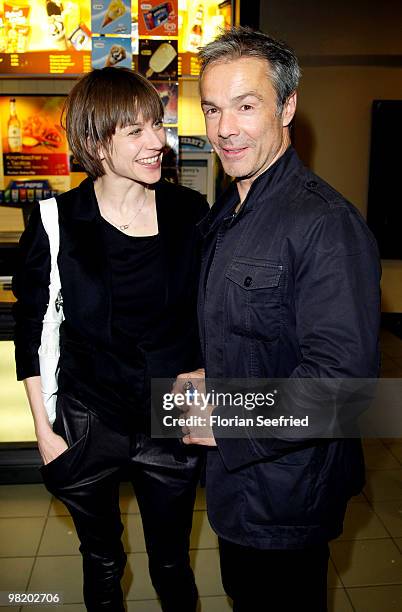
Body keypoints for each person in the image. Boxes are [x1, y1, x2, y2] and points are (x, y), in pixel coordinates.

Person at [179, 26, 381, 611]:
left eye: (246, 106)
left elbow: (343, 386)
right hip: (240, 489)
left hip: (289, 495)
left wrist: (227, 418)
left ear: (287, 105)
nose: (224, 129)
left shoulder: (325, 225)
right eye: (213, 109)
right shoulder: (233, 207)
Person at [12, 67, 209, 612]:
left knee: (172, 561)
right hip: (88, 416)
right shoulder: (57, 220)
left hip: (170, 415)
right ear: (98, 142)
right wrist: (43, 429)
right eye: (137, 132)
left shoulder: (189, 212)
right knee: (101, 560)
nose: (158, 143)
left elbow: (211, 314)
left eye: (157, 125)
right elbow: (32, 330)